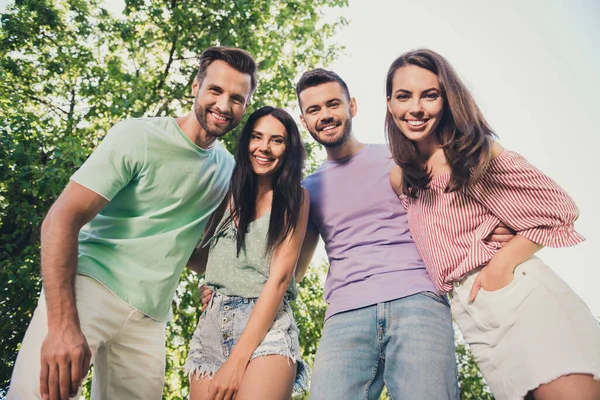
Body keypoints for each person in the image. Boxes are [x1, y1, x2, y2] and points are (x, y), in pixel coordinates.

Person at [8, 46, 257, 400]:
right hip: (88, 288)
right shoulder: (139, 136)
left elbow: (193, 251)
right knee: (39, 395)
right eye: (215, 90)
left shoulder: (229, 172)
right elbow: (61, 219)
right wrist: (62, 326)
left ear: (245, 106)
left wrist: (225, 282)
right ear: (195, 87)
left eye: (236, 97)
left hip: (150, 318)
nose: (223, 104)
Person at [386, 48, 600, 400]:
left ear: (447, 98)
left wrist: (501, 262)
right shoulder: (403, 179)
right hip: (472, 319)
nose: (416, 108)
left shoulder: (471, 153)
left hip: (520, 296)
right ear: (390, 103)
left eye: (430, 94)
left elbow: (560, 208)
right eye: (403, 96)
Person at [184, 106, 310, 400]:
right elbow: (205, 258)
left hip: (267, 326)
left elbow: (279, 280)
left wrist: (237, 361)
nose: (264, 147)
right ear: (246, 142)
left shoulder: (294, 198)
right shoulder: (224, 192)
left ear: (288, 149)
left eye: (276, 140)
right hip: (213, 325)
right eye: (257, 137)